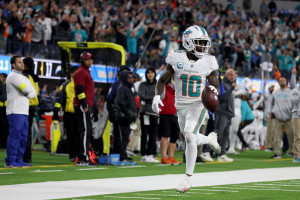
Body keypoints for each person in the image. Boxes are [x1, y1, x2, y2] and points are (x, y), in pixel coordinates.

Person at [152, 25, 221, 193]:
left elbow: (215, 84)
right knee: (190, 137)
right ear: (188, 43)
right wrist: (156, 96)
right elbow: (162, 81)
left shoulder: (209, 61)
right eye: (199, 43)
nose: (203, 47)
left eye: (204, 43)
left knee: (189, 135)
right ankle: (209, 140)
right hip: (180, 105)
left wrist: (213, 94)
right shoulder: (176, 58)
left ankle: (187, 178)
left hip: (198, 103)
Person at [5, 55, 36, 168]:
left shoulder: (25, 78)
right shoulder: (12, 76)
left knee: (23, 137)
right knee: (15, 136)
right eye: (19, 62)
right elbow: (27, 90)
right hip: (15, 111)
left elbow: (33, 93)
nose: (22, 64)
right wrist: (27, 93)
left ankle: (18, 159)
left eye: (22, 62)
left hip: (24, 111)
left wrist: (27, 93)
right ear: (13, 65)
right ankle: (10, 160)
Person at [73, 52, 97, 166]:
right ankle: (83, 157)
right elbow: (79, 90)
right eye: (88, 59)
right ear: (82, 60)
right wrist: (84, 105)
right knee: (85, 131)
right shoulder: (81, 72)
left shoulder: (86, 72)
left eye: (91, 59)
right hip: (84, 106)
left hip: (87, 105)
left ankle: (83, 156)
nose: (90, 61)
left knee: (86, 131)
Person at [53, 66, 79, 162]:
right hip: (69, 114)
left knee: (80, 135)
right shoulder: (65, 85)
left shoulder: (84, 84)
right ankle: (73, 155)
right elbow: (59, 99)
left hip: (81, 114)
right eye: (75, 72)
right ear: (71, 74)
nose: (76, 74)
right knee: (71, 135)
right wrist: (56, 110)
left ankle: (81, 154)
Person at [114, 71, 138, 163]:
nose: (131, 79)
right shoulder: (122, 88)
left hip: (127, 118)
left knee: (125, 137)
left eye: (132, 78)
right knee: (122, 138)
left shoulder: (127, 88)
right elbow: (120, 103)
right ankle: (121, 156)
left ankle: (123, 155)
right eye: (129, 78)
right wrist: (128, 113)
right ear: (124, 78)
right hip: (123, 118)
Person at [214, 69, 237, 162]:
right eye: (231, 75)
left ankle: (222, 154)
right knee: (218, 133)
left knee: (225, 135)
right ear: (226, 75)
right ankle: (206, 151)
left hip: (228, 113)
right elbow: (223, 97)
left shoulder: (230, 84)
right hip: (222, 112)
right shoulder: (223, 83)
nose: (233, 76)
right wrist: (232, 88)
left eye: (234, 75)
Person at [139, 67, 159, 163]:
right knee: (144, 134)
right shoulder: (142, 84)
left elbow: (161, 96)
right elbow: (142, 96)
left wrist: (150, 98)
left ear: (155, 74)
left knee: (153, 134)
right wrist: (154, 97)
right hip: (145, 113)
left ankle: (150, 154)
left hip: (154, 112)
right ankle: (143, 154)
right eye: (148, 73)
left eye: (152, 72)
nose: (150, 74)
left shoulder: (157, 84)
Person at [270, 76, 294, 159]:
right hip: (278, 117)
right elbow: (272, 104)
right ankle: (277, 153)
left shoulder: (291, 92)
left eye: (283, 80)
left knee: (292, 136)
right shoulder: (275, 93)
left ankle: (292, 152)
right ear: (278, 82)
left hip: (289, 117)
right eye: (280, 81)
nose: (282, 82)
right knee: (277, 136)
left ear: (286, 82)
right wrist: (271, 112)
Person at [159, 77, 181, 165]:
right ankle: (164, 157)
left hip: (175, 115)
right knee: (165, 136)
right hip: (165, 115)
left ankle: (171, 157)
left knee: (174, 137)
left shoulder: (178, 89)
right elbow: (161, 96)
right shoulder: (164, 87)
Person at [23, 57, 39, 163]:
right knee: (27, 132)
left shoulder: (25, 76)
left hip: (25, 106)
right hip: (32, 107)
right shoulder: (34, 77)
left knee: (23, 132)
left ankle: (25, 155)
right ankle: (27, 156)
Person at [263, 82, 275, 152]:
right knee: (269, 132)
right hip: (268, 116)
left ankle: (272, 145)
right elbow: (263, 94)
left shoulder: (274, 95)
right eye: (271, 87)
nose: (272, 88)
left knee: (273, 132)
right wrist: (264, 86)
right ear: (269, 89)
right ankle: (267, 146)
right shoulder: (267, 96)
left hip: (274, 116)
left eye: (273, 87)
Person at [291, 75, 300, 163]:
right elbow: (293, 101)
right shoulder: (295, 91)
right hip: (297, 115)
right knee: (298, 136)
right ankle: (296, 156)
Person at [0, 73, 8, 149]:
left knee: (4, 126)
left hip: (4, 107)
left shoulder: (5, 85)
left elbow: (4, 97)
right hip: (3, 107)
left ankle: (3, 144)